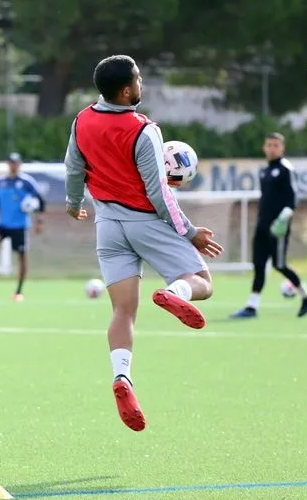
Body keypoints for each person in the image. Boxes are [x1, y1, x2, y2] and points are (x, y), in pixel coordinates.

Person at [64, 55, 223, 432]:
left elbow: (73, 166)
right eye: (137, 79)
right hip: (144, 222)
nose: (141, 83)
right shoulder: (143, 129)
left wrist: (73, 204)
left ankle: (122, 377)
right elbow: (158, 193)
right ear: (126, 90)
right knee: (202, 280)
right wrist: (190, 232)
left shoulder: (82, 119)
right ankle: (176, 292)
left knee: (123, 312)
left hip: (107, 225)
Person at [230, 133, 307, 319]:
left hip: (278, 227)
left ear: (282, 148)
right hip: (262, 225)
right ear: (264, 147)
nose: (272, 148)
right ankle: (252, 306)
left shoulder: (285, 169)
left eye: (275, 145)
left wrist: (283, 219)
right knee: (259, 264)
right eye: (269, 145)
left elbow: (293, 198)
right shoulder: (264, 171)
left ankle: (306, 296)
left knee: (279, 264)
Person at [0, 152, 45, 303]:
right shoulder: (0, 182)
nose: (13, 165)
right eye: (11, 162)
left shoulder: (26, 182)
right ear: (8, 164)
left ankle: (19, 291)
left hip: (19, 226)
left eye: (16, 162)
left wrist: (39, 221)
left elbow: (39, 200)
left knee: (21, 257)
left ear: (19, 164)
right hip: (3, 225)